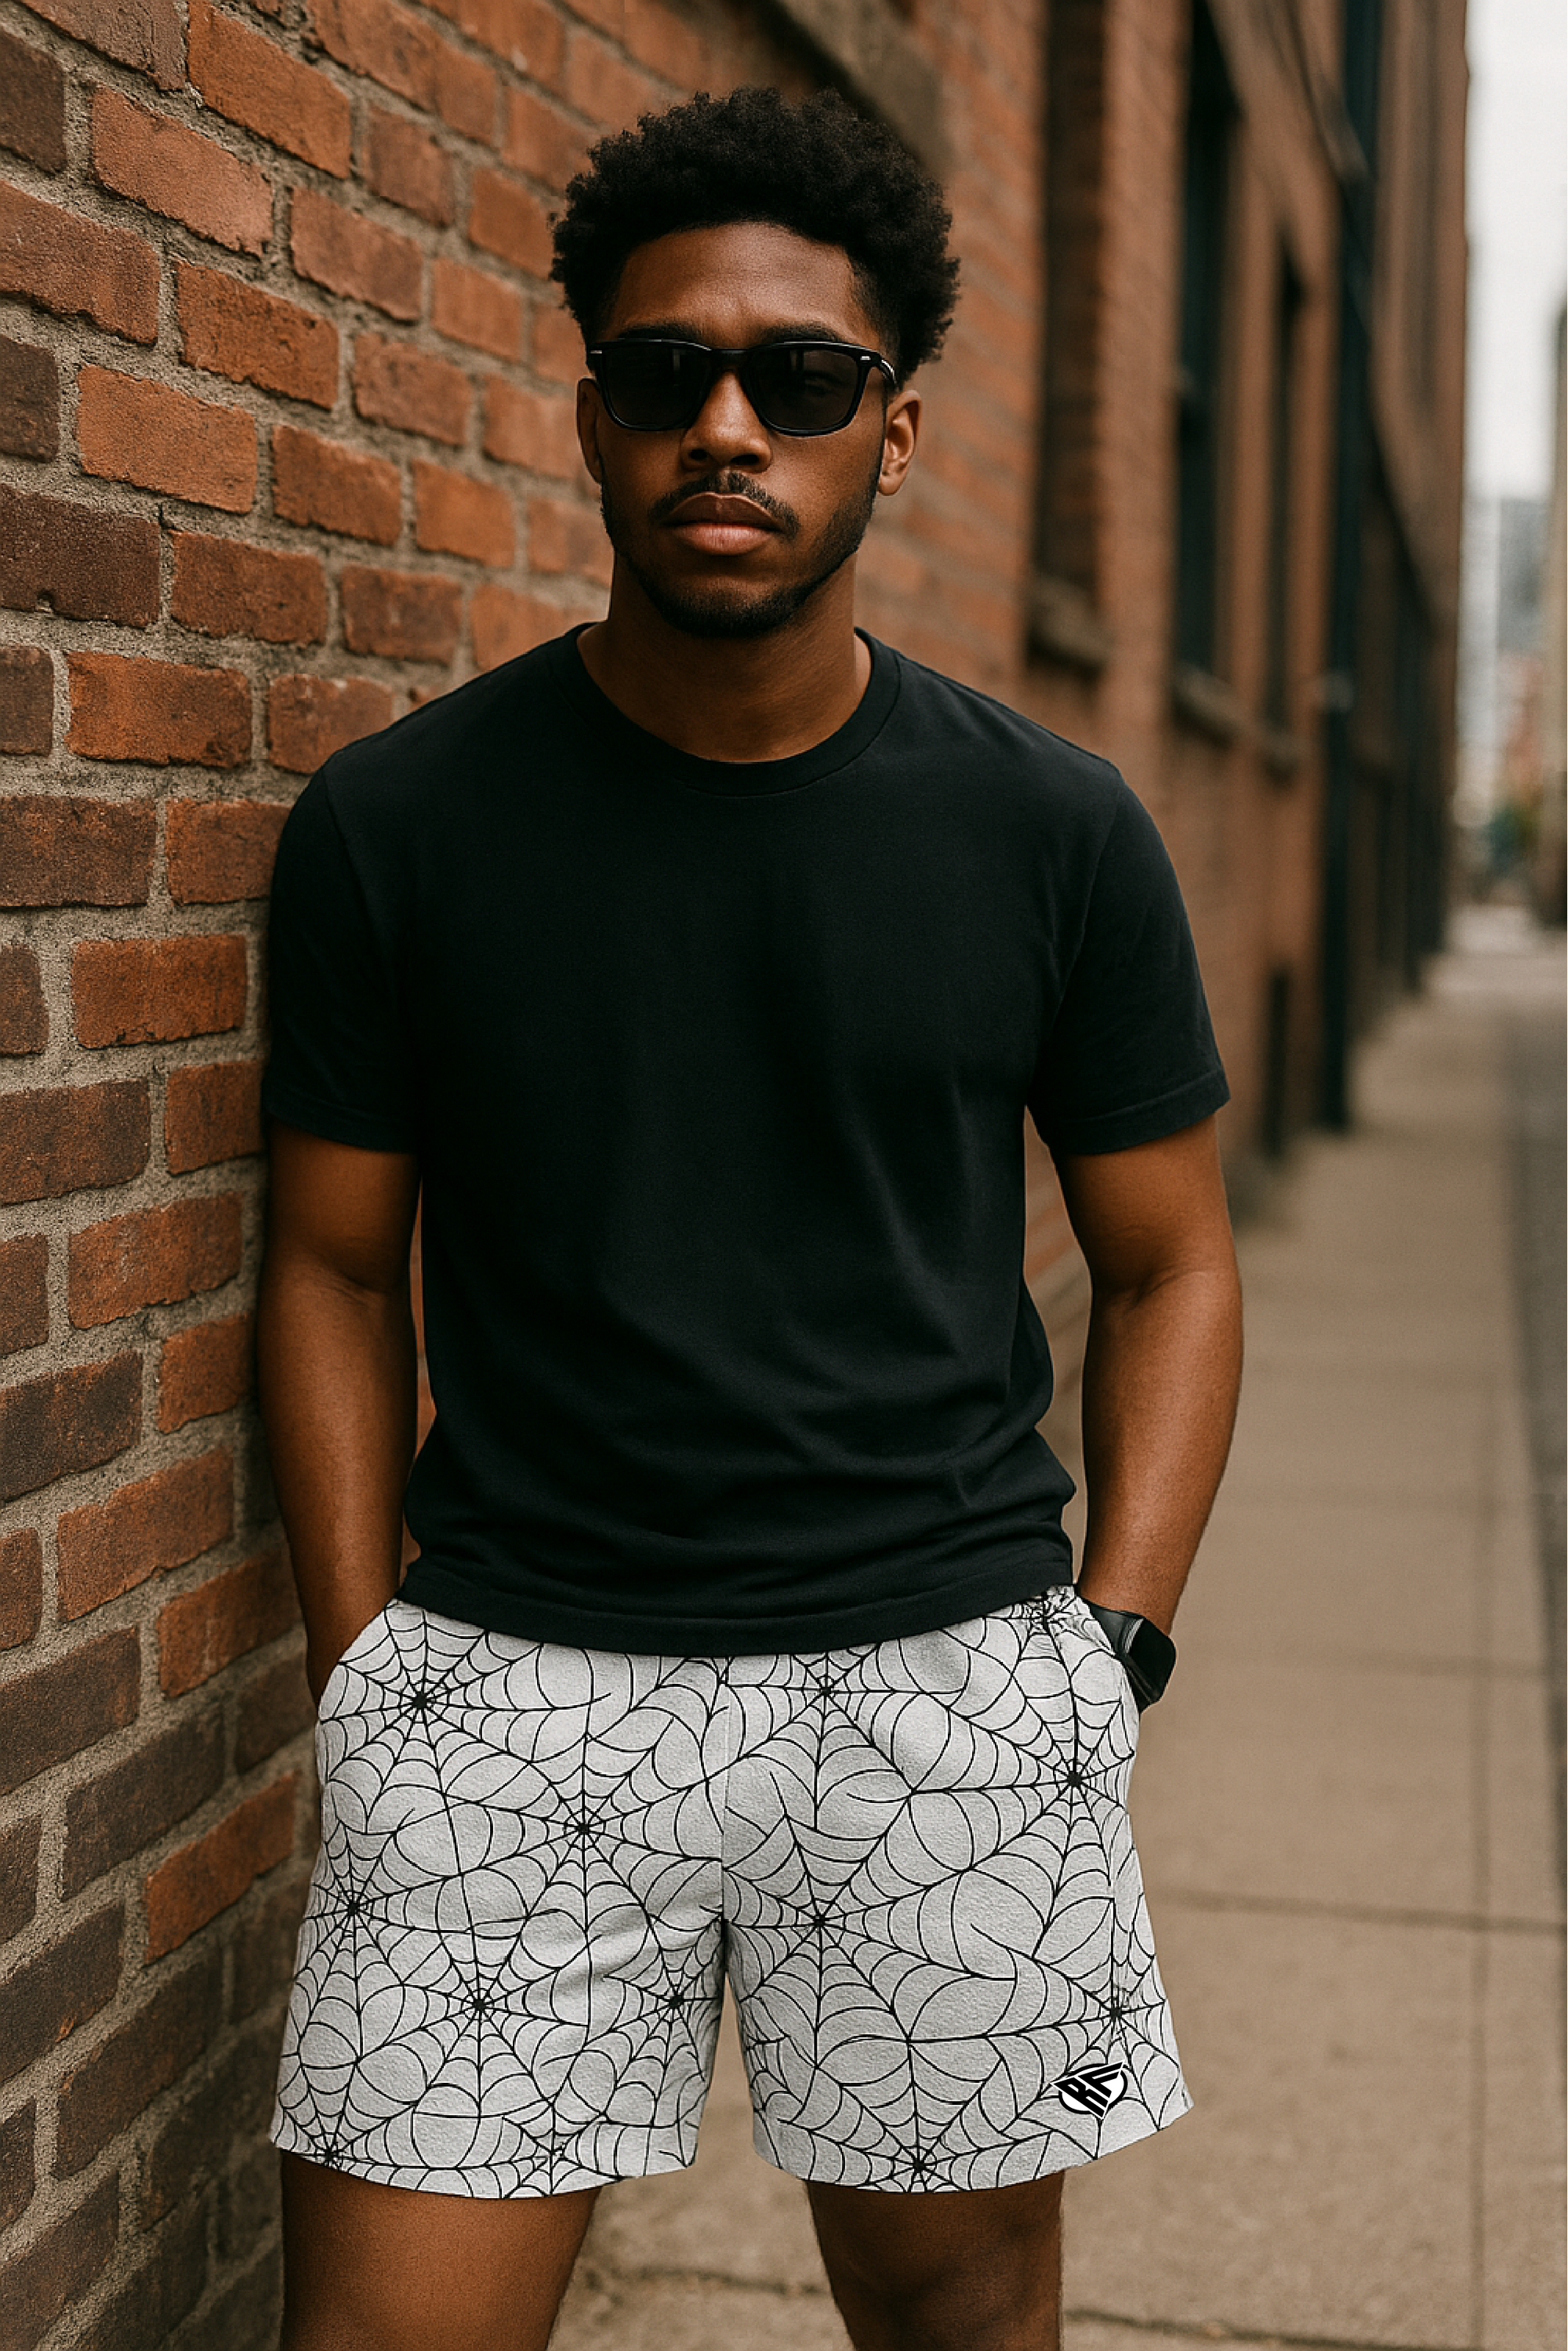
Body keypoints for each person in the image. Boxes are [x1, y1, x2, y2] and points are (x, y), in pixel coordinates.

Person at [259, 85, 1243, 2351]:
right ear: (588, 409)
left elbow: (1179, 1262)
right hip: (509, 1684)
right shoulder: (398, 829)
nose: (727, 425)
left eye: (797, 379)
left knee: (963, 2334)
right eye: (661, 373)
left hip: (942, 1690)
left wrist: (1112, 1655)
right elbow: (324, 1262)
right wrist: (367, 1662)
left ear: (888, 428)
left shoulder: (1057, 833)